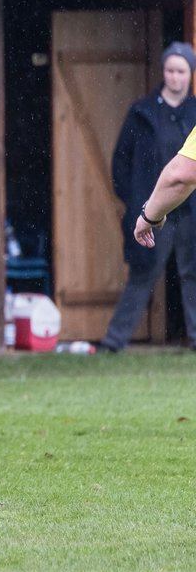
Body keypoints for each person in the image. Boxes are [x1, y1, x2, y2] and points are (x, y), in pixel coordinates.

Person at [101, 42, 196, 352]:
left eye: (181, 71)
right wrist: (138, 201)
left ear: (190, 75)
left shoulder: (194, 111)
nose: (175, 77)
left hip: (191, 208)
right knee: (143, 273)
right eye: (170, 70)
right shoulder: (142, 112)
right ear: (163, 72)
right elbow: (121, 161)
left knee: (192, 272)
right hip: (155, 205)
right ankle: (114, 342)